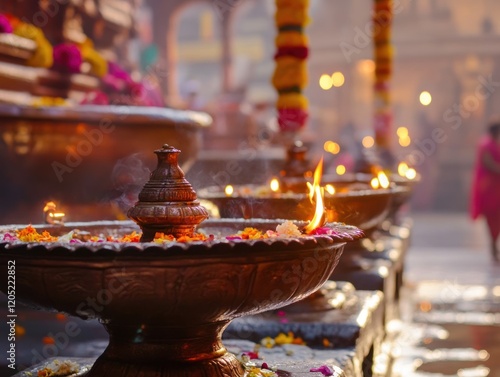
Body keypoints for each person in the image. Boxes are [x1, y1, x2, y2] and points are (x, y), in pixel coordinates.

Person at [470, 120, 500, 261]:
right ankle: (493, 246)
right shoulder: (486, 144)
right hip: (489, 187)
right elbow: (488, 163)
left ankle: (494, 245)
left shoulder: (494, 144)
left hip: (496, 186)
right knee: (492, 217)